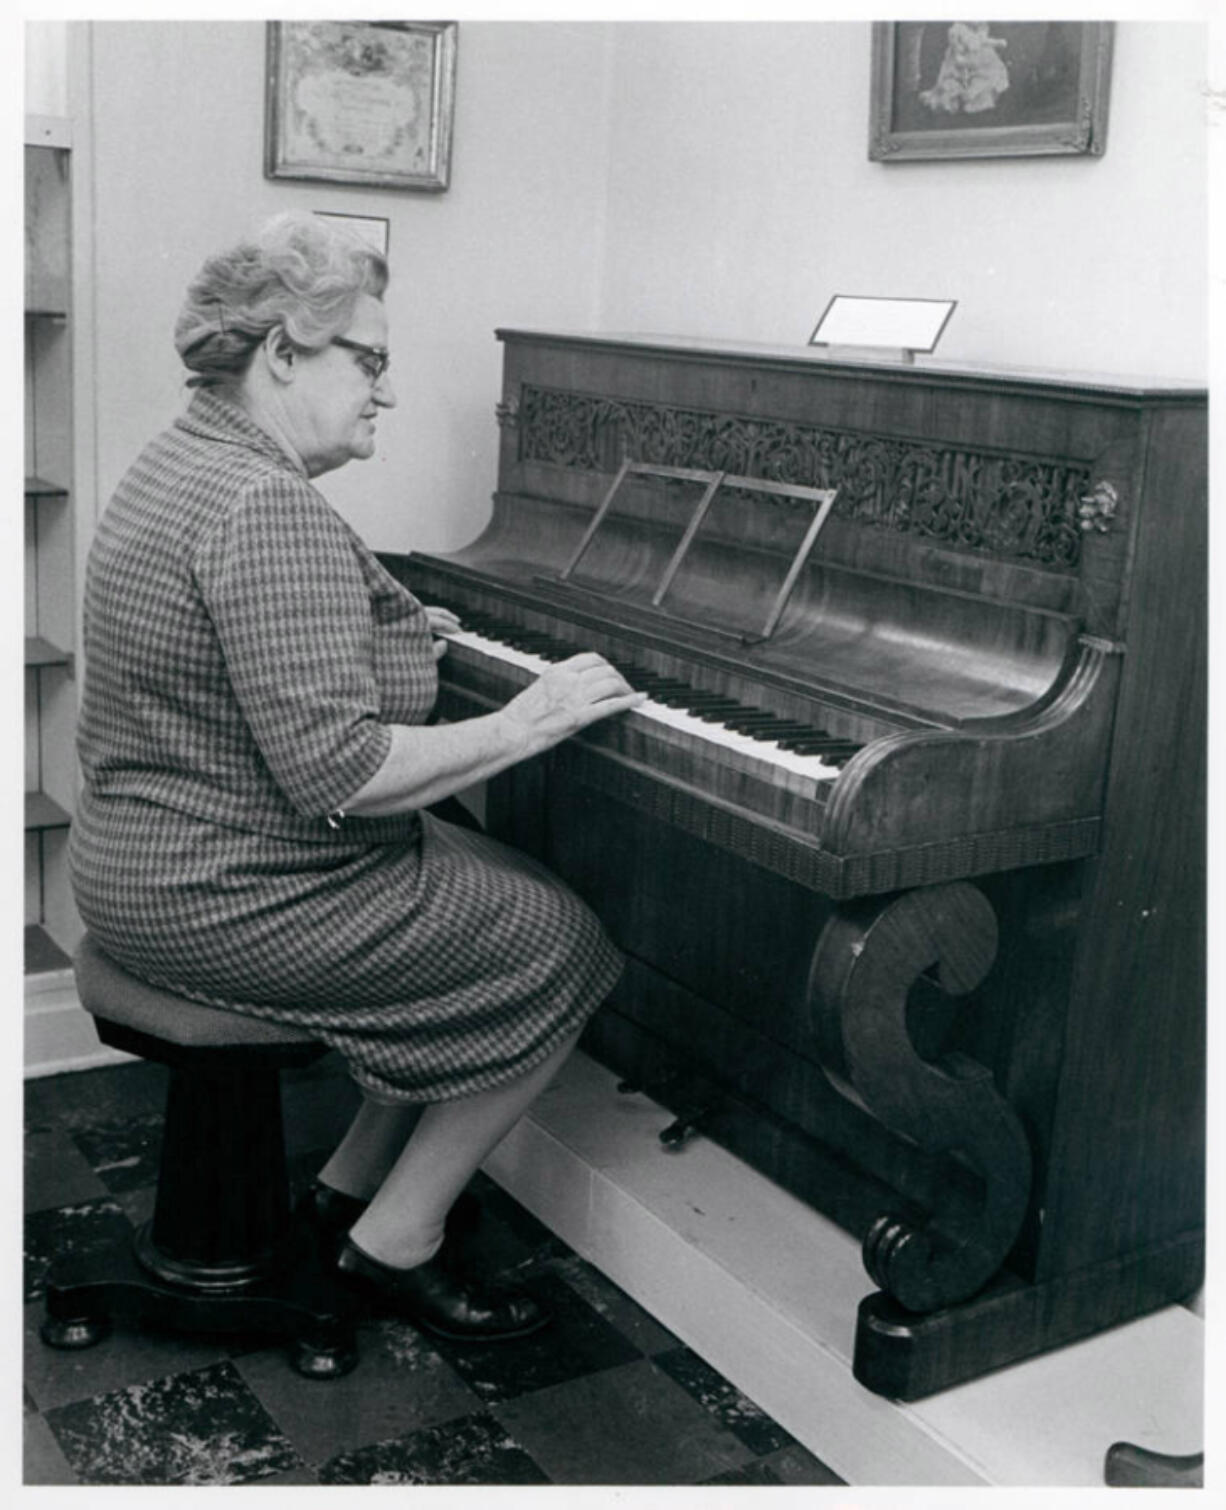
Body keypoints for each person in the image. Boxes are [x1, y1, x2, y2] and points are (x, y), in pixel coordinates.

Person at [68, 211, 644, 1342]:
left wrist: (380, 628)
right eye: (367, 359)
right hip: (227, 892)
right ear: (282, 350)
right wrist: (531, 716)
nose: (382, 389)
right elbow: (343, 771)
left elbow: (240, 651)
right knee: (558, 937)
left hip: (138, 858)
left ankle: (344, 1184)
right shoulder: (265, 502)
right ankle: (397, 1239)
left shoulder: (183, 457)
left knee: (474, 874)